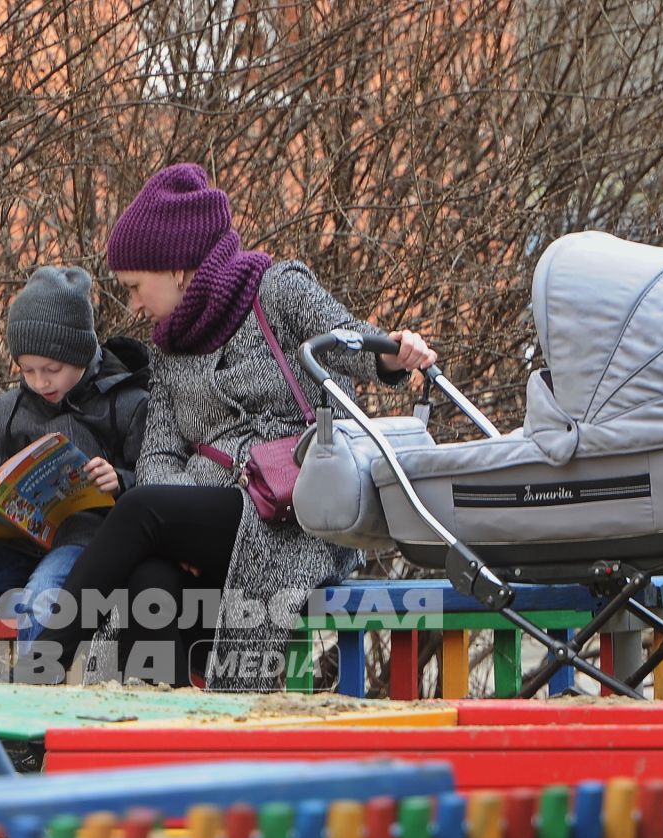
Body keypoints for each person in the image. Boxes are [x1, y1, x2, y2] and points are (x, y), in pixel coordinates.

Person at [25, 163, 437, 691]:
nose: (131, 304)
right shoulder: (170, 349)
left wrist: (395, 356)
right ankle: (166, 748)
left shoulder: (277, 289)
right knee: (151, 581)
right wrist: (181, 534)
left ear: (176, 269)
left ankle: (34, 673)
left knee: (138, 509)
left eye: (134, 286)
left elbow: (348, 342)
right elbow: (158, 459)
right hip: (210, 523)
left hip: (291, 518)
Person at [0, 265, 150, 662]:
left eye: (52, 370)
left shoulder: (127, 403)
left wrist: (119, 479)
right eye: (27, 371)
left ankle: (34, 719)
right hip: (15, 542)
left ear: (82, 353)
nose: (40, 382)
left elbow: (154, 482)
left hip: (86, 542)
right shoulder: (10, 408)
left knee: (42, 602)